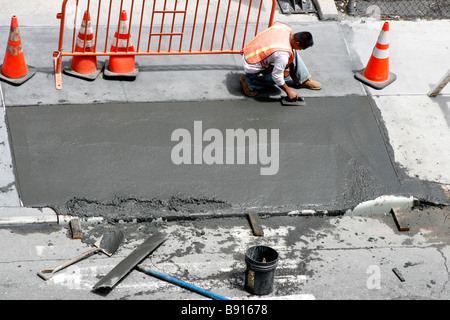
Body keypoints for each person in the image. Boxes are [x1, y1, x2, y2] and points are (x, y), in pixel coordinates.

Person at [240, 22, 321, 100]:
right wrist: (288, 91)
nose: (302, 50)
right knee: (284, 76)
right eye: (302, 48)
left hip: (251, 53)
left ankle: (303, 79)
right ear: (297, 43)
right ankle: (249, 82)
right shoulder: (282, 54)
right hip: (251, 65)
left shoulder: (283, 28)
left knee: (292, 51)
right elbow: (277, 76)